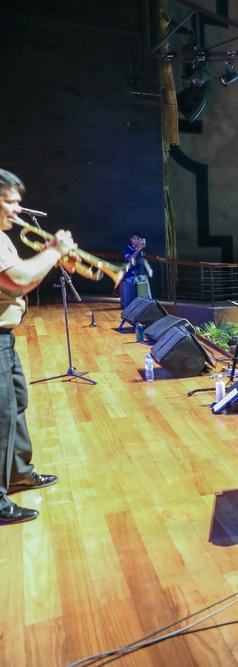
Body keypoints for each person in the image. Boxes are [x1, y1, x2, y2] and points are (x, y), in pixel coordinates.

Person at [0, 168, 78, 524]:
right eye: (10, 202)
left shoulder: (5, 237)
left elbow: (21, 284)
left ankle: (17, 472)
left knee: (15, 403)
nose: (17, 211)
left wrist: (52, 256)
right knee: (1, 416)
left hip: (5, 336)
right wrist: (54, 252)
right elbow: (14, 279)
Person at [122, 233, 153, 308]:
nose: (136, 241)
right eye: (135, 239)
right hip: (132, 276)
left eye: (138, 239)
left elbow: (144, 257)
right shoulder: (127, 249)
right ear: (131, 239)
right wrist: (138, 249)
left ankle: (145, 312)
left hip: (142, 275)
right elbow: (130, 260)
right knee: (132, 298)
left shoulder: (142, 250)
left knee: (146, 297)